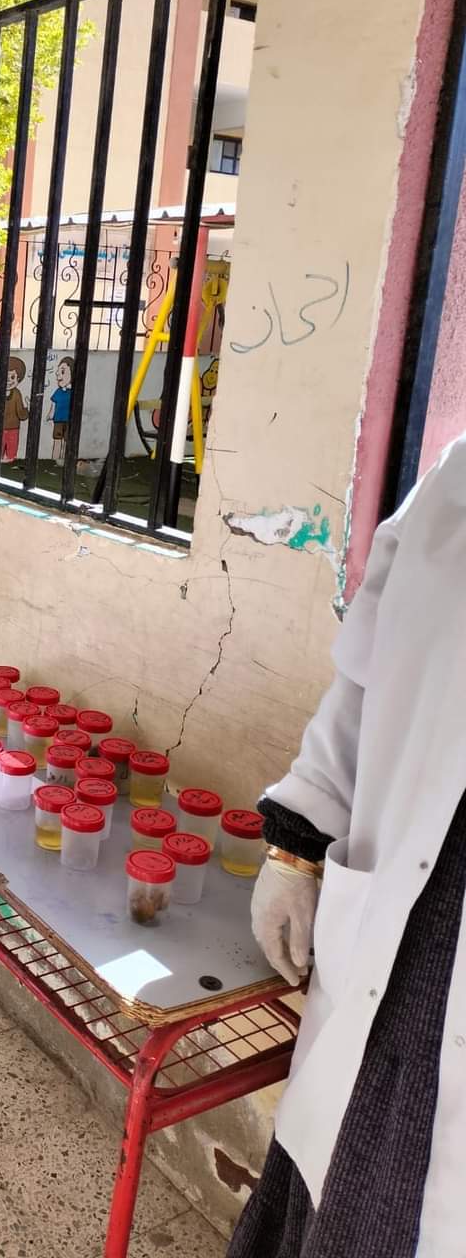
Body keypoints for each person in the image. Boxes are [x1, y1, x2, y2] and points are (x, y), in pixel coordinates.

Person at [229, 437, 466, 1258]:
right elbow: (360, 679)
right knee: (336, 1175)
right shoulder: (454, 479)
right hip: (400, 937)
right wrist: (295, 846)